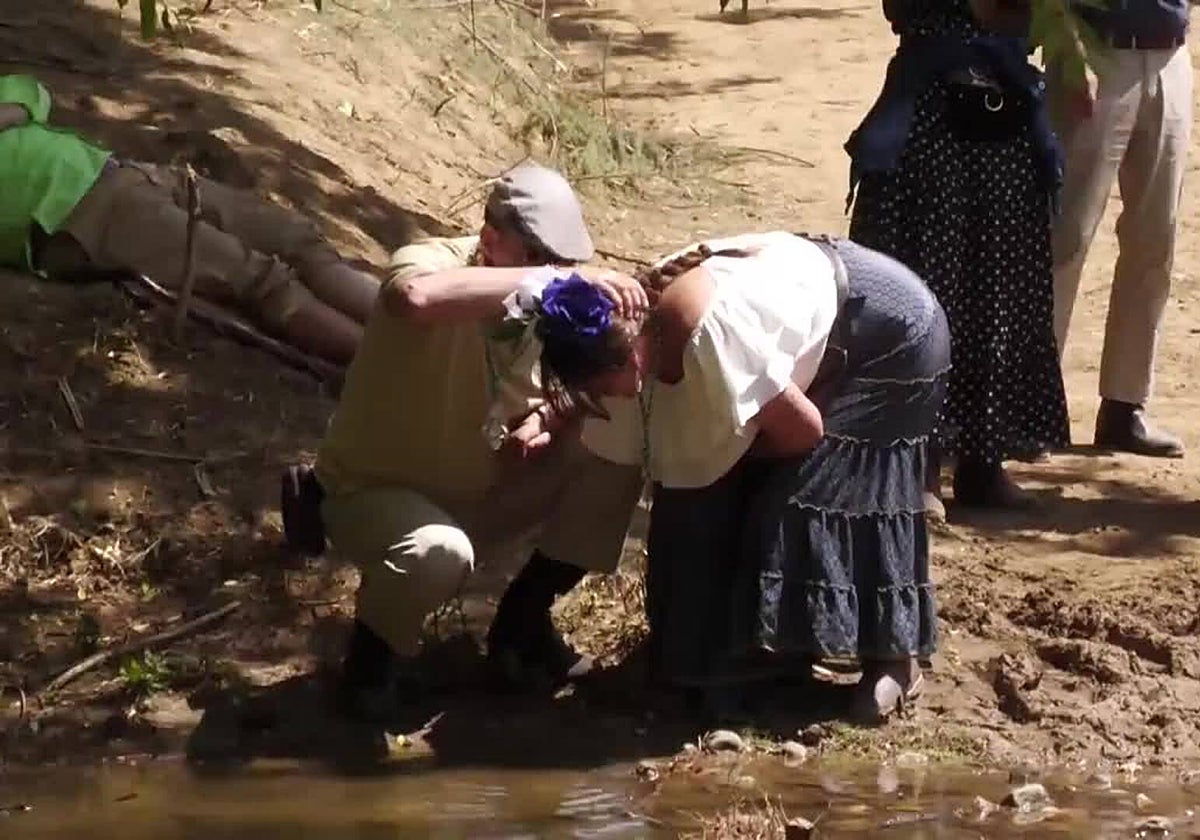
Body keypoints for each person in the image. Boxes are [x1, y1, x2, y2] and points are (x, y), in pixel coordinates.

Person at [508, 231, 949, 723]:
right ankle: (741, 658)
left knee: (800, 493)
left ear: (631, 359)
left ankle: (893, 657)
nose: (599, 398)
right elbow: (613, 417)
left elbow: (802, 432)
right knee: (692, 489)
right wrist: (548, 416)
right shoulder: (625, 327)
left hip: (887, 333)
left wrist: (735, 465)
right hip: (808, 323)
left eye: (598, 387)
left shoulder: (711, 339)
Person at [306, 164, 645, 717]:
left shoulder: (536, 302)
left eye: (563, 262)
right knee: (436, 552)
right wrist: (546, 281)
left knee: (611, 449)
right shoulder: (432, 262)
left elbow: (553, 391)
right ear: (490, 238)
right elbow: (415, 298)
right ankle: (369, 667)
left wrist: (545, 419)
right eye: (542, 259)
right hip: (374, 496)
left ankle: (522, 625)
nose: (557, 274)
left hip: (476, 490)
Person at [844, 0, 1071, 512]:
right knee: (927, 285)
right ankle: (919, 463)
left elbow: (1021, 17)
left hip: (1002, 123)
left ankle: (983, 462)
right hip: (932, 123)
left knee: (998, 290)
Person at [0, 73, 378, 365]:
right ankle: (387, 368)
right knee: (263, 281)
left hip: (127, 172)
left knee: (297, 238)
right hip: (81, 213)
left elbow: (27, 94)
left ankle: (407, 327)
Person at [1049, 3, 1191, 458]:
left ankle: (1124, 405)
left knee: (1155, 239)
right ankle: (1031, 405)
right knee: (1065, 238)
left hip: (1171, 57)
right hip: (1095, 54)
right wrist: (1068, 51)